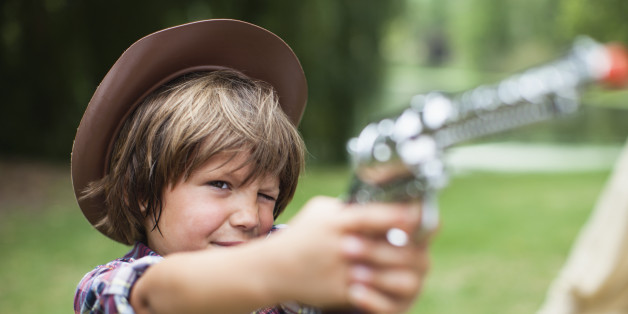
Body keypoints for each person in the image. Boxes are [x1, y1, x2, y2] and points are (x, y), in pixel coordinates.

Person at [72, 19, 432, 314]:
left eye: (265, 194)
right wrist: (279, 269)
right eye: (221, 185)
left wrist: (364, 263)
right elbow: (154, 296)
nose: (249, 217)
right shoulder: (106, 286)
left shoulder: (276, 253)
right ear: (139, 192)